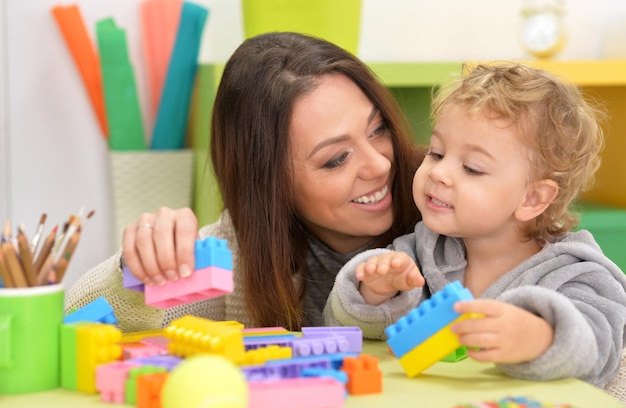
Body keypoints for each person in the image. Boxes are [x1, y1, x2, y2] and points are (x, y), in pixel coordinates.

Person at [65, 31, 426, 332]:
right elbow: (73, 319)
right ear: (270, 184)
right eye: (336, 159)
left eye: (378, 129)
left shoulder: (450, 196)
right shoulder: (239, 254)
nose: (379, 164)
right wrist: (136, 271)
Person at [324, 62, 626, 389]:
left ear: (533, 198)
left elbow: (603, 348)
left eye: (471, 168)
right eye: (437, 153)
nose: (439, 173)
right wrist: (373, 294)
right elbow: (345, 328)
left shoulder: (576, 274)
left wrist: (541, 336)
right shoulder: (417, 254)